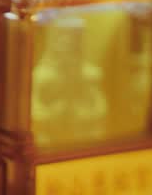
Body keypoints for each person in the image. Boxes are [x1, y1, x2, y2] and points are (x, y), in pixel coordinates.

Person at [31, 17, 107, 147]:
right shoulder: (42, 76)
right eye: (62, 37)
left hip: (81, 133)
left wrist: (81, 114)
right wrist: (53, 114)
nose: (66, 42)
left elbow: (100, 109)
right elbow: (35, 111)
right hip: (51, 134)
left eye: (72, 38)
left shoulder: (90, 74)